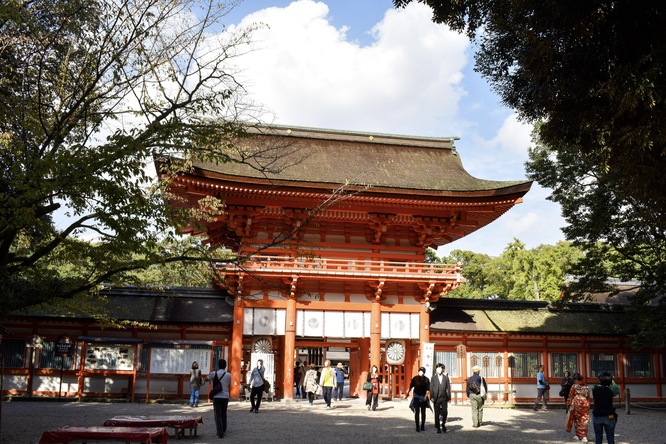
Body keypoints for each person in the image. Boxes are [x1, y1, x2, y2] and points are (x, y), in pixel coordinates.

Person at [207, 358, 231, 439]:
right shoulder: (228, 375)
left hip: (217, 396)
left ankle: (220, 432)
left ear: (218, 365)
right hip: (225, 396)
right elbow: (228, 384)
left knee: (217, 415)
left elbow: (207, 378)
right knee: (224, 414)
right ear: (225, 366)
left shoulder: (214, 373)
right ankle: (224, 429)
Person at [592, 372, 616, 444]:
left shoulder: (595, 390)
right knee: (610, 437)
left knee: (598, 437)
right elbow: (616, 388)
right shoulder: (611, 391)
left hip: (597, 415)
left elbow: (595, 387)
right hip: (609, 415)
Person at [566, 372, 590, 442]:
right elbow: (588, 397)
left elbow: (570, 396)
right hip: (585, 404)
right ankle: (584, 436)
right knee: (584, 420)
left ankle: (578, 435)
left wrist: (568, 404)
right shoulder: (586, 387)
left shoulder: (574, 386)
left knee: (577, 420)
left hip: (577, 404)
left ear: (575, 379)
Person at [405, 366, 431, 432]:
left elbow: (428, 389)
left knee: (423, 412)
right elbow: (411, 386)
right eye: (420, 370)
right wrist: (407, 393)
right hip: (416, 396)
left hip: (423, 396)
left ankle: (422, 425)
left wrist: (426, 396)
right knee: (417, 412)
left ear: (424, 372)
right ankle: (417, 426)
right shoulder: (415, 378)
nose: (421, 372)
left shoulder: (426, 379)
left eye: (422, 371)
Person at [429, 363, 451, 433]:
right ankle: (438, 427)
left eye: (440, 368)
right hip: (436, 397)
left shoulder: (446, 378)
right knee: (437, 413)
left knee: (445, 412)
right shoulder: (433, 378)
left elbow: (448, 388)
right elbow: (431, 388)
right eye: (438, 368)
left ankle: (443, 424)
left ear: (443, 369)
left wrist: (449, 397)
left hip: (444, 397)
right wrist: (431, 397)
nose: (439, 369)